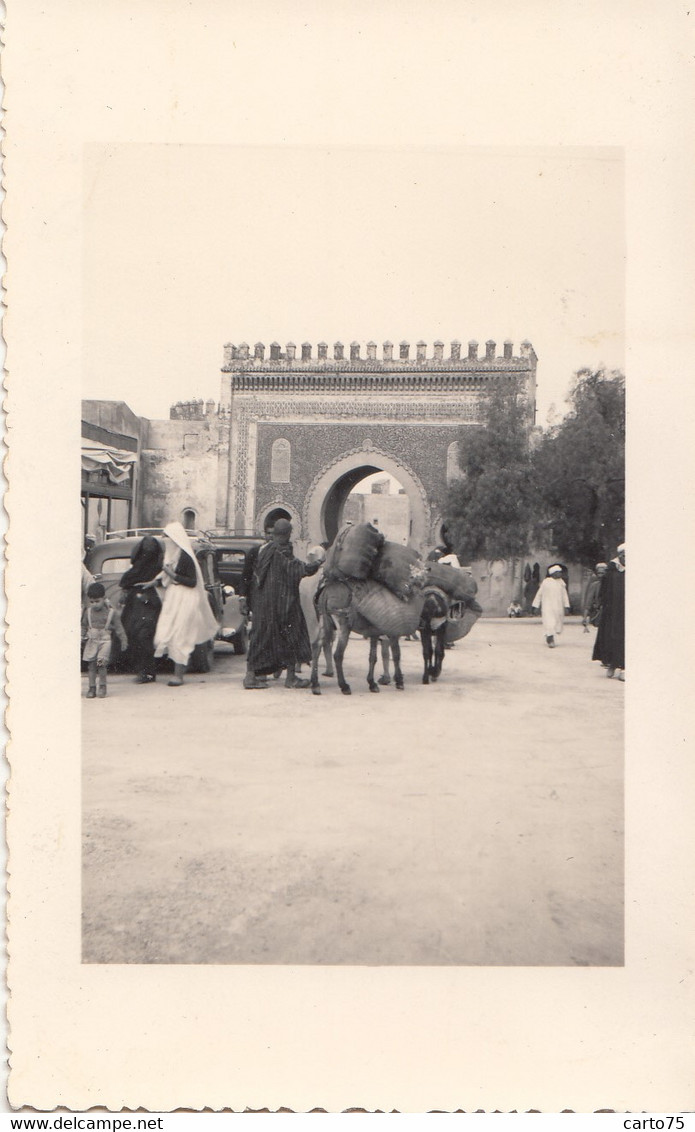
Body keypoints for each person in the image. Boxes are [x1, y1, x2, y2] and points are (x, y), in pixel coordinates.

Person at [243, 518, 320, 689]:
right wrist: (316, 565)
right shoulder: (281, 551)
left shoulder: (265, 549)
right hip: (282, 603)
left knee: (260, 638)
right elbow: (296, 569)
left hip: (263, 603)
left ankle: (252, 676)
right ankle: (290, 678)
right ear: (286, 534)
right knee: (294, 634)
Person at [153, 522, 219, 686]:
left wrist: (172, 574)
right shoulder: (171, 556)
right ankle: (179, 669)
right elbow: (164, 578)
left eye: (167, 537)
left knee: (181, 636)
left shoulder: (186, 557)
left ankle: (179, 675)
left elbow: (191, 582)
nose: (165, 540)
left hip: (186, 598)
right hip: (173, 598)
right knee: (165, 633)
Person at [119, 534, 164, 684]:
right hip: (145, 604)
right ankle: (145, 671)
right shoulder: (156, 567)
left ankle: (147, 671)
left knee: (142, 636)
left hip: (144, 604)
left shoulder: (150, 568)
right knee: (141, 636)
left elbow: (126, 581)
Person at [81, 581, 128, 698]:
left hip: (104, 642)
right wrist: (81, 637)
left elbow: (119, 628)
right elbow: (83, 626)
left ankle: (102, 686)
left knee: (101, 664)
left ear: (104, 598)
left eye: (97, 601)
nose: (94, 604)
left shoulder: (111, 613)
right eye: (92, 601)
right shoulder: (88, 612)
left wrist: (124, 640)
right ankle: (92, 687)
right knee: (91, 665)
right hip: (92, 642)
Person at [592, 543, 625, 680]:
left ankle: (624, 668)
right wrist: (601, 605)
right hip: (612, 610)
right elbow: (604, 590)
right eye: (624, 555)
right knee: (612, 636)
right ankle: (612, 665)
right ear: (620, 555)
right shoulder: (611, 570)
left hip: (627, 610)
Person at [532, 563, 571, 647]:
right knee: (549, 623)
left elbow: (565, 595)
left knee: (557, 623)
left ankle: (549, 636)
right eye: (559, 572)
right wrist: (536, 606)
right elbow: (539, 594)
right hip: (547, 607)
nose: (560, 574)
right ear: (553, 573)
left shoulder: (561, 583)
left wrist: (567, 606)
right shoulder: (546, 582)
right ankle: (550, 639)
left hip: (558, 607)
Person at [581, 562, 608, 633]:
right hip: (599, 612)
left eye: (602, 573)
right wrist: (585, 617)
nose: (600, 575)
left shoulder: (611, 585)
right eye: (599, 573)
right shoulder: (594, 586)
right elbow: (588, 602)